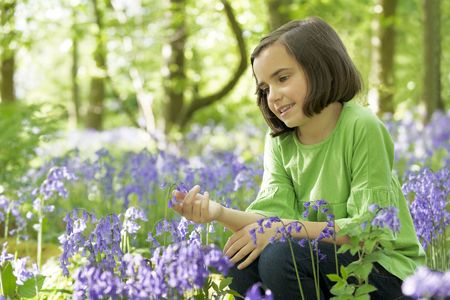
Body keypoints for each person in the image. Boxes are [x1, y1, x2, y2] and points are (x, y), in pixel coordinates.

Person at [171, 16, 425, 299]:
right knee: (238, 265)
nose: (273, 96)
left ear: (321, 68)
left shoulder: (361, 127)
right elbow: (269, 218)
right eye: (265, 89)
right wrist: (216, 213)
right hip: (327, 263)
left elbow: (367, 232)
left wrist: (281, 229)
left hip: (384, 272)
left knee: (280, 257)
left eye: (282, 78)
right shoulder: (281, 141)